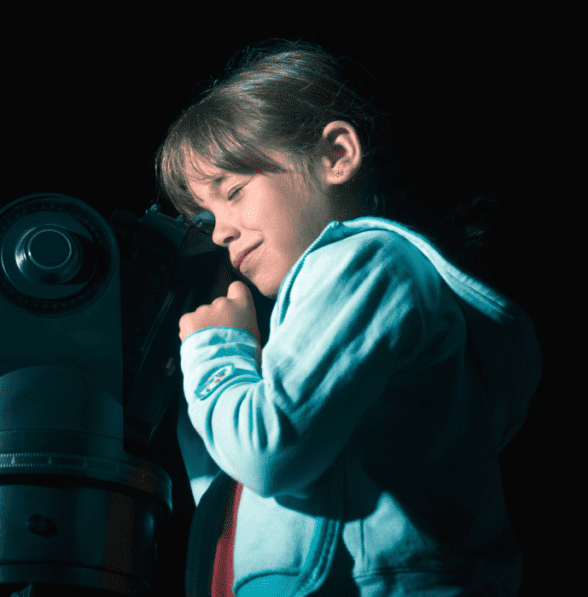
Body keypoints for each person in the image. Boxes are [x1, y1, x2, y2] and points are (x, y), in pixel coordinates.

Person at [156, 40, 541, 597]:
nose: (219, 232)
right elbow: (247, 488)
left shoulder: (364, 261)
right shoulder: (328, 301)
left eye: (235, 192)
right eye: (208, 215)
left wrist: (218, 347)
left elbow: (267, 452)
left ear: (335, 155)